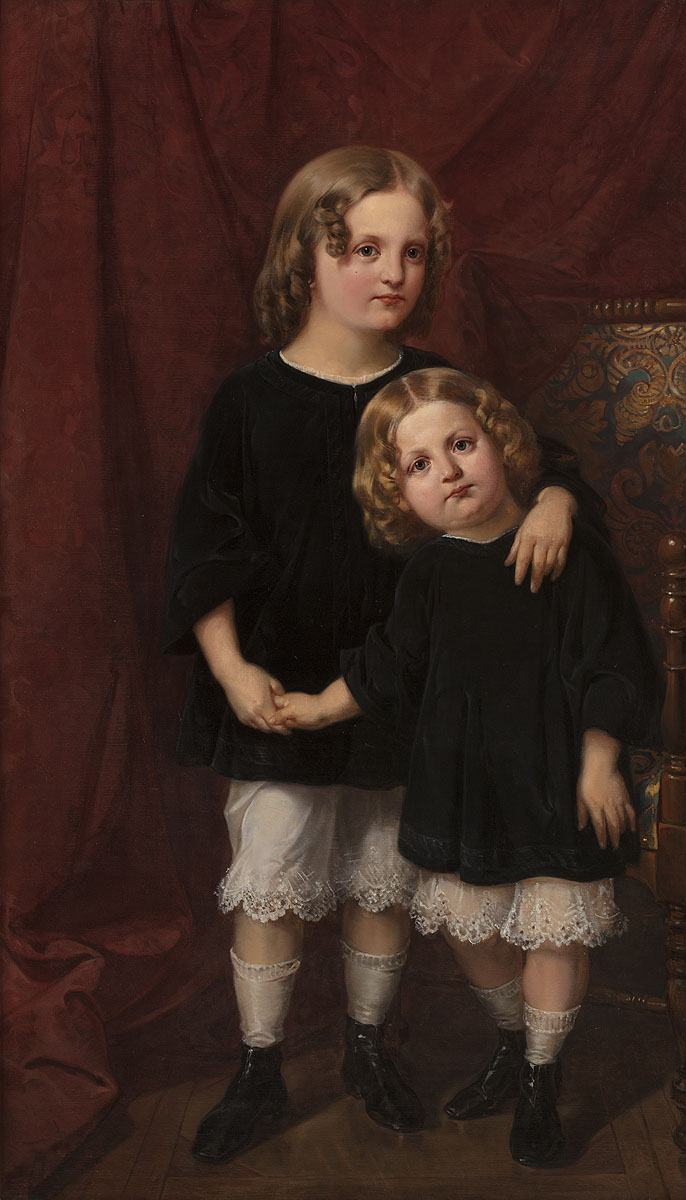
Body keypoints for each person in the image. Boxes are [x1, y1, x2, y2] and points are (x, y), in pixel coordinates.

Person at [163, 147, 595, 1164]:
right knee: (272, 875)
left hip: (406, 689)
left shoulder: (432, 390)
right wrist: (232, 671)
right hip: (279, 682)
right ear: (304, 257)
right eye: (364, 249)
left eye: (411, 252)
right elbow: (203, 552)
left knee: (380, 880)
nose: (392, 273)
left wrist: (555, 501)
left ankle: (366, 1048)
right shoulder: (248, 400)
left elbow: (539, 464)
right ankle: (260, 1068)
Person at [272, 367, 660, 1169]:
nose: (447, 472)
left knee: (552, 930)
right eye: (420, 465)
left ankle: (542, 1081)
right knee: (470, 929)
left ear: (500, 444)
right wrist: (315, 708)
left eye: (460, 445)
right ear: (400, 495)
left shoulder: (566, 549)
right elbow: (388, 666)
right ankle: (515, 1044)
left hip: (554, 772)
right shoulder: (430, 572)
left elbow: (614, 663)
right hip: (463, 783)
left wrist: (598, 761)